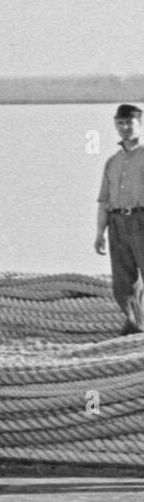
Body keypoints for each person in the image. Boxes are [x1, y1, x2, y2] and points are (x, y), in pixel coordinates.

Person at [94, 103, 144, 334]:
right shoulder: (112, 162)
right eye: (120, 123)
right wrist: (99, 233)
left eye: (129, 122)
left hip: (141, 219)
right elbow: (104, 200)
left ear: (140, 123)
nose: (125, 127)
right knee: (123, 283)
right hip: (117, 223)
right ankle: (136, 325)